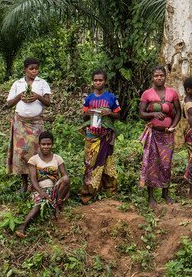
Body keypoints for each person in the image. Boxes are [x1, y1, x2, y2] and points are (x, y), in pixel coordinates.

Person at [6, 58, 52, 191]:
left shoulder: (42, 83)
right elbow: (9, 104)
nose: (34, 71)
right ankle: (25, 184)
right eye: (31, 68)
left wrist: (38, 96)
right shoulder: (17, 84)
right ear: (25, 70)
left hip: (36, 123)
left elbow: (48, 103)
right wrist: (20, 96)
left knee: (37, 153)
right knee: (21, 154)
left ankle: (35, 184)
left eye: (36, 68)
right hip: (20, 123)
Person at [139, 66, 181, 207]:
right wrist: (153, 114)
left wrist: (172, 126)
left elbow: (178, 113)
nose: (159, 78)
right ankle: (151, 196)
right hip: (153, 134)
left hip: (167, 135)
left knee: (166, 163)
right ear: (152, 77)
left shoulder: (172, 93)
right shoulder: (147, 94)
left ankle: (165, 192)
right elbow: (141, 113)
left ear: (165, 76)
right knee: (151, 163)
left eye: (161, 75)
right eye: (156, 76)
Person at [16, 131, 69, 237]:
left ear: (52, 144)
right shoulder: (33, 159)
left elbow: (64, 176)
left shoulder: (57, 158)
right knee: (40, 204)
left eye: (48, 144)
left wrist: (65, 192)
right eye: (43, 144)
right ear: (39, 144)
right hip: (39, 189)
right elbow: (33, 179)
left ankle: (57, 205)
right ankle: (23, 226)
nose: (46, 146)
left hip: (55, 188)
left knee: (66, 179)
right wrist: (41, 192)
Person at [79, 70, 120, 204]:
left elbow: (118, 115)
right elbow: (84, 115)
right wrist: (89, 112)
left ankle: (109, 190)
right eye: (95, 80)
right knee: (90, 163)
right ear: (92, 81)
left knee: (108, 162)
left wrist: (109, 112)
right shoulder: (89, 98)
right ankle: (89, 191)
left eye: (100, 80)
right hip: (92, 134)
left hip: (106, 135)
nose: (98, 82)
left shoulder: (111, 97)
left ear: (105, 81)